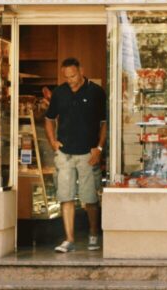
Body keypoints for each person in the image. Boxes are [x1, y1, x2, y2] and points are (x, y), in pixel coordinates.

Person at [45, 58, 107, 253]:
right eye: (67, 77)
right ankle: (69, 239)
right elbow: (48, 119)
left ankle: (93, 233)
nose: (70, 80)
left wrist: (99, 148)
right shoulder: (59, 93)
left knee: (90, 198)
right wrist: (53, 142)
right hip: (64, 154)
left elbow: (105, 123)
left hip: (88, 153)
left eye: (73, 76)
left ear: (81, 70)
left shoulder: (96, 92)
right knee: (66, 197)